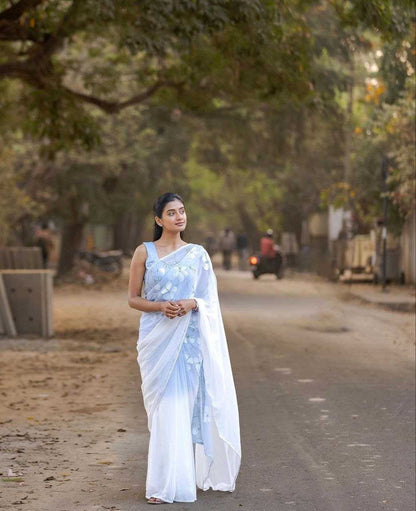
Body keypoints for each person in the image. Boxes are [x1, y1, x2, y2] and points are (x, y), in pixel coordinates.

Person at [128, 192, 241, 505]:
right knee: (165, 410)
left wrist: (191, 303)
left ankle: (174, 483)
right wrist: (161, 306)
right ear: (158, 220)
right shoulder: (144, 252)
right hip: (156, 341)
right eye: (171, 212)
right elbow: (133, 298)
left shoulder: (198, 255)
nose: (179, 216)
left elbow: (208, 299)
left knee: (180, 407)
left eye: (182, 211)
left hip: (189, 341)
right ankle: (164, 484)